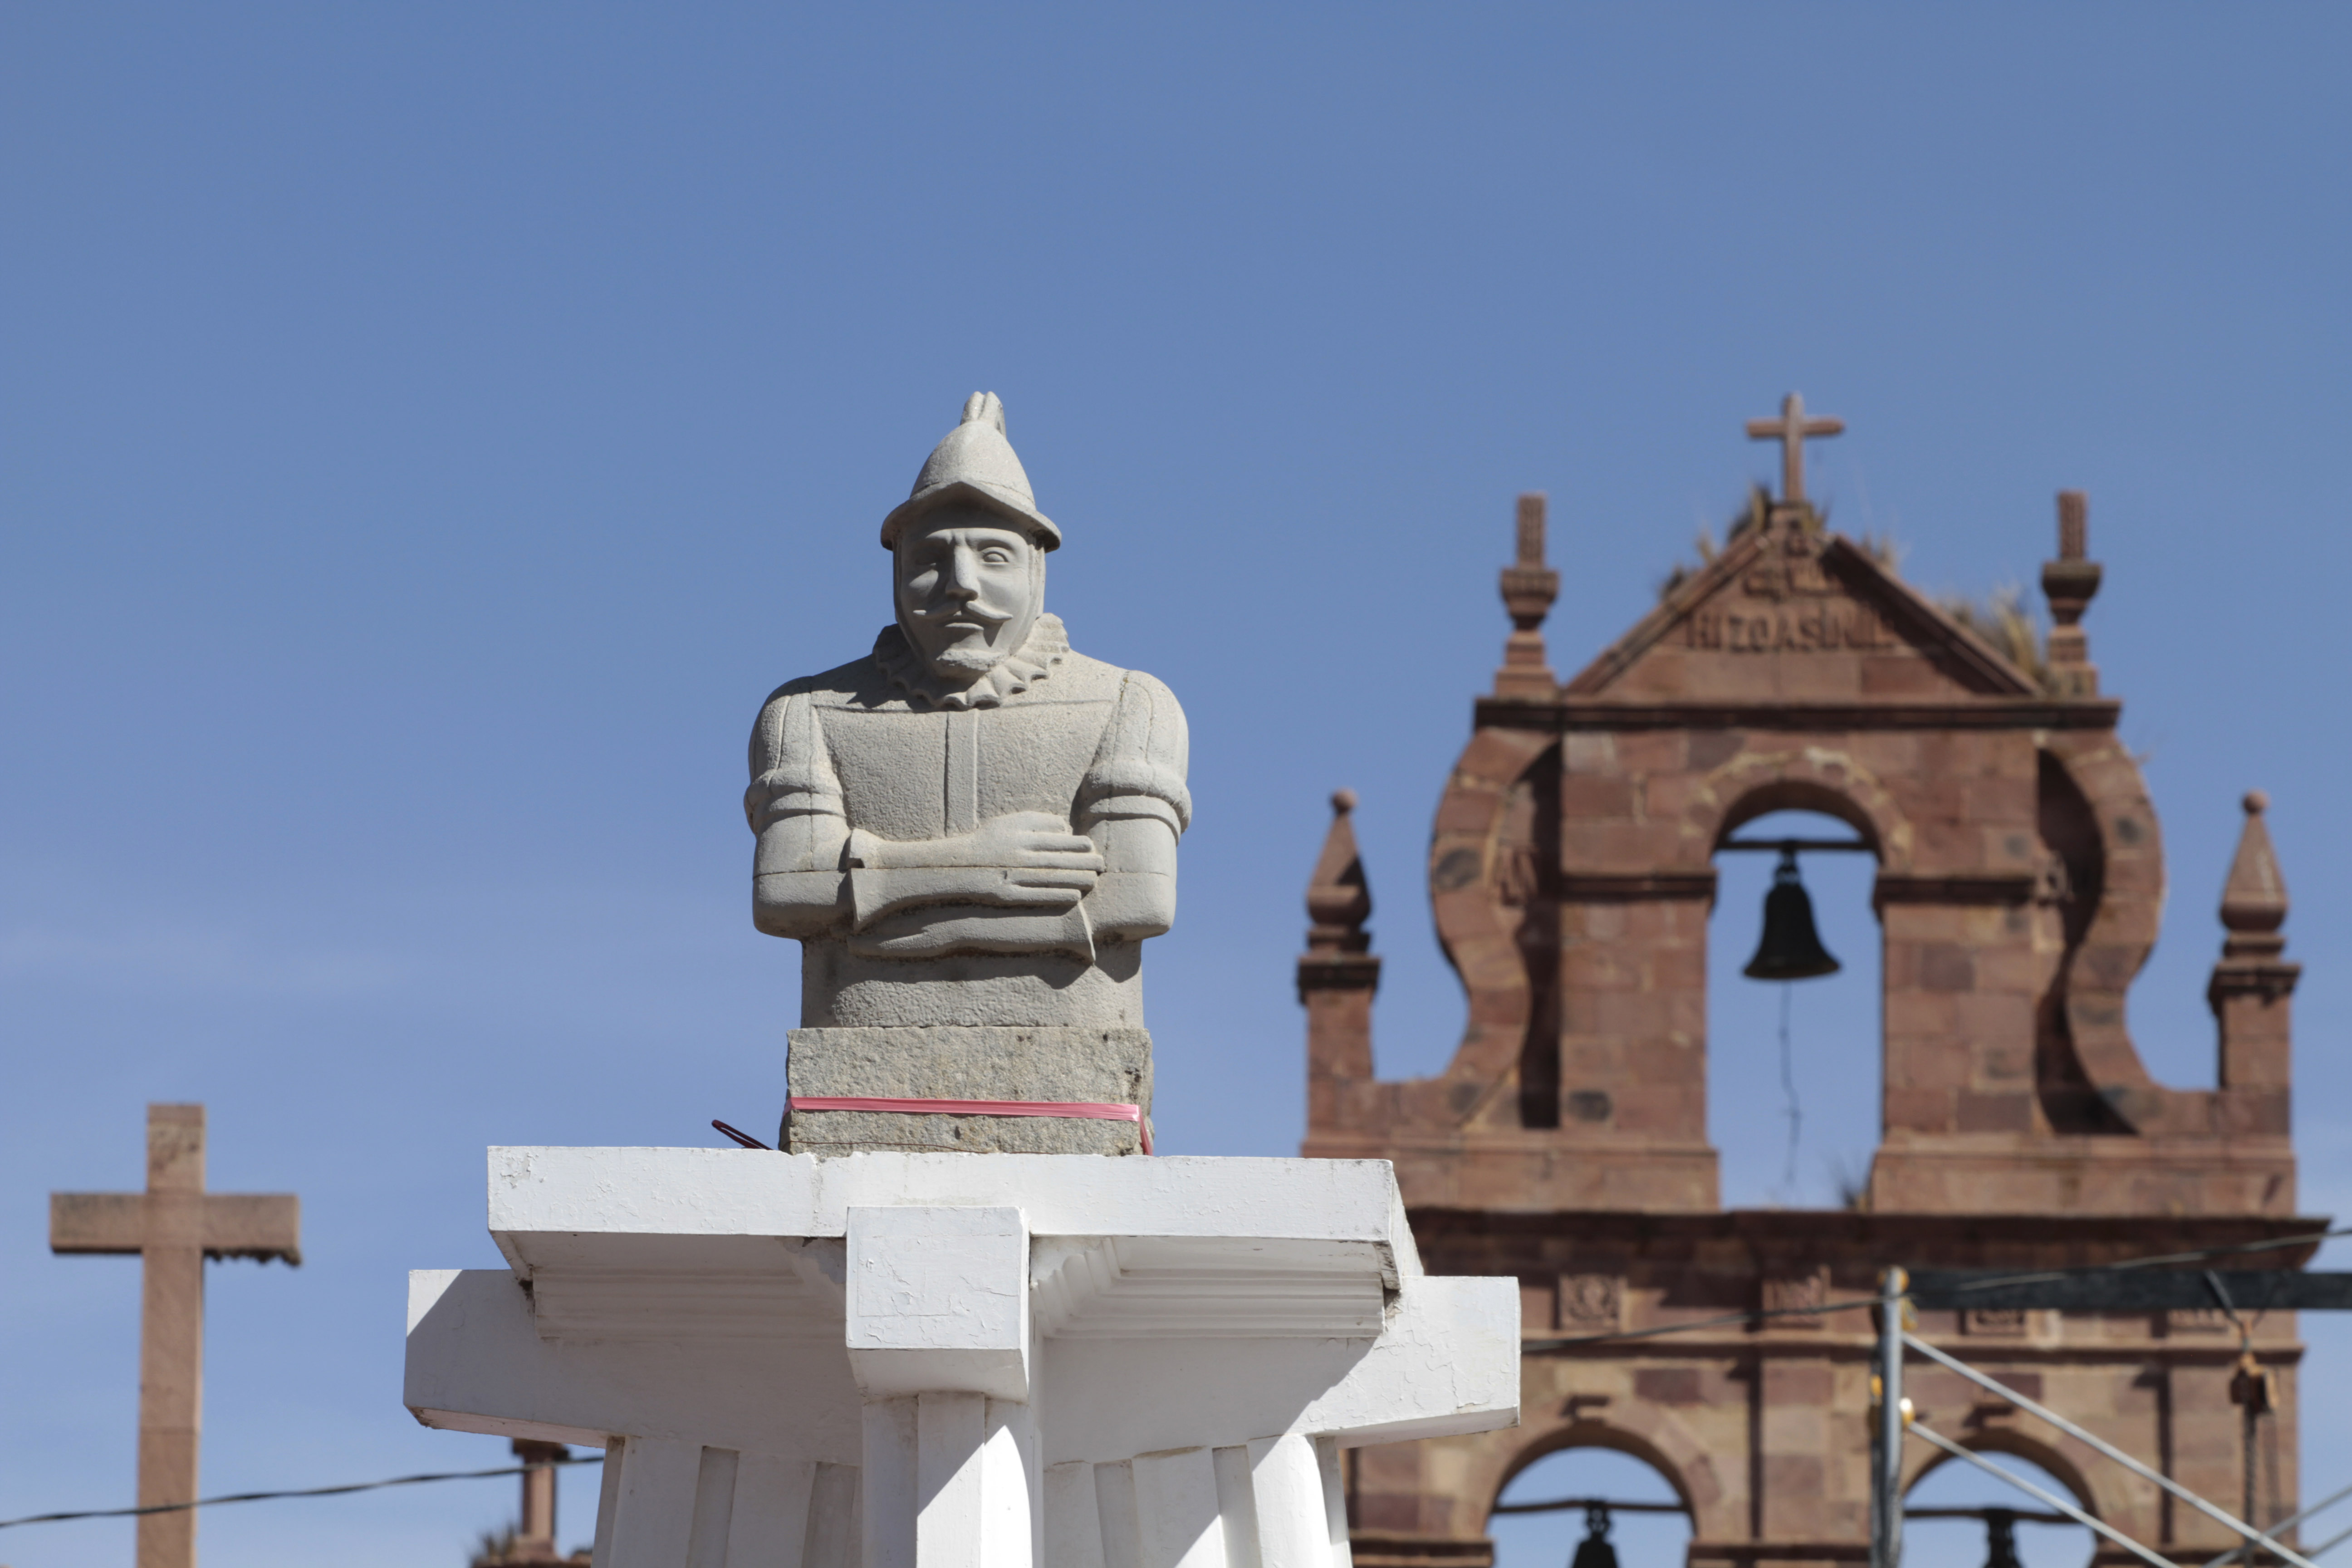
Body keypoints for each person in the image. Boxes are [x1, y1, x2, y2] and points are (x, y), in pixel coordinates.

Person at [746, 393, 1189, 1031]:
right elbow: (787, 890)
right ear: (897, 570)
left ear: (1037, 566)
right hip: (857, 1051)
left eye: (993, 555)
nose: (960, 582)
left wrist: (873, 906)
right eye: (930, 557)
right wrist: (986, 866)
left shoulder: (1131, 703)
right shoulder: (805, 712)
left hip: (1073, 1052)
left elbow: (1135, 900)